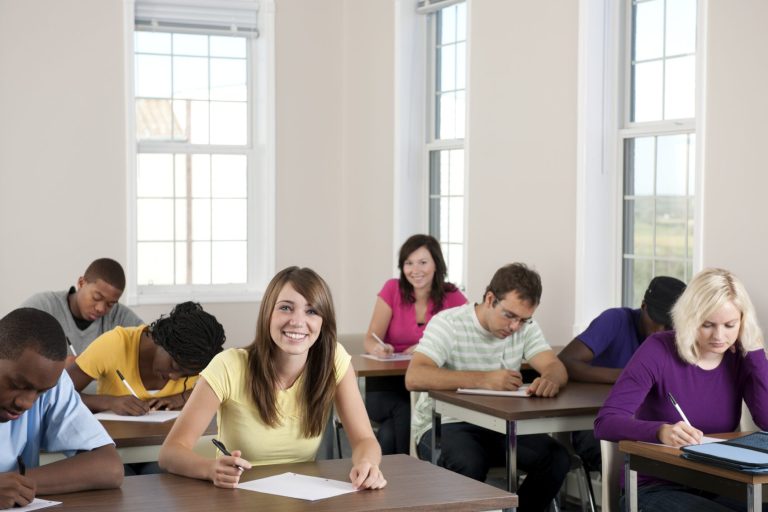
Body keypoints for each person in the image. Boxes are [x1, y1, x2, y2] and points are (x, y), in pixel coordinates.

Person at [158, 267, 387, 491]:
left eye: (311, 311)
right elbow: (170, 453)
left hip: (303, 498)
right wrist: (210, 469)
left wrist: (367, 463)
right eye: (286, 308)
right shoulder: (229, 365)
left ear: (323, 322)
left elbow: (365, 440)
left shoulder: (333, 360)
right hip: (237, 498)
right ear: (268, 313)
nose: (297, 321)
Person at [594, 268, 768, 511]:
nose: (719, 336)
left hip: (718, 484)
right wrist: (661, 432)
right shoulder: (658, 349)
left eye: (730, 325)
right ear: (690, 318)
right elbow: (605, 423)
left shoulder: (740, 356)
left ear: (743, 322)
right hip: (653, 488)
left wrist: (756, 352)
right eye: (707, 324)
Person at [406, 262, 570, 512]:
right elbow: (415, 376)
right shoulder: (449, 323)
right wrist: (484, 379)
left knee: (556, 458)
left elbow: (555, 367)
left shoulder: (524, 328)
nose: (515, 326)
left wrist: (550, 379)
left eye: (524, 320)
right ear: (490, 299)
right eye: (510, 316)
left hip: (499, 425)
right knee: (470, 463)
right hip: (444, 425)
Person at [558, 275, 686, 470]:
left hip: (651, 426)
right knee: (634, 464)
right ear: (643, 307)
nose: (661, 330)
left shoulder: (680, 340)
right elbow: (565, 361)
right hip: (596, 421)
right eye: (657, 321)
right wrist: (624, 376)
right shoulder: (615, 320)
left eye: (669, 325)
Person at [0, 308, 123, 509]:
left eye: (40, 392)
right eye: (17, 385)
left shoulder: (50, 381)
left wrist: (15, 482)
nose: (27, 403)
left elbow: (110, 468)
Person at [363, 234, 467, 454]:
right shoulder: (392, 289)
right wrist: (378, 348)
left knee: (389, 434)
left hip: (427, 384)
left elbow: (467, 336)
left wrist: (426, 347)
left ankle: (390, 477)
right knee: (405, 408)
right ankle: (414, 473)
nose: (415, 270)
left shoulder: (452, 296)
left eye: (423, 262)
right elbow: (370, 339)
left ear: (436, 264)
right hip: (386, 386)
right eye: (409, 263)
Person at [67, 301, 226, 416]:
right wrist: (110, 402)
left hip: (162, 447)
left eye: (186, 376)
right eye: (174, 366)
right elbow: (55, 393)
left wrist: (181, 397)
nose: (175, 377)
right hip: (115, 446)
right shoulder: (114, 344)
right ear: (163, 340)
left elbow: (219, 387)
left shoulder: (198, 358)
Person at [22, 258, 143, 356]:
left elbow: (152, 343)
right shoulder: (44, 306)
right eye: (96, 297)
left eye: (110, 304)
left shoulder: (119, 316)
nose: (101, 308)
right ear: (81, 283)